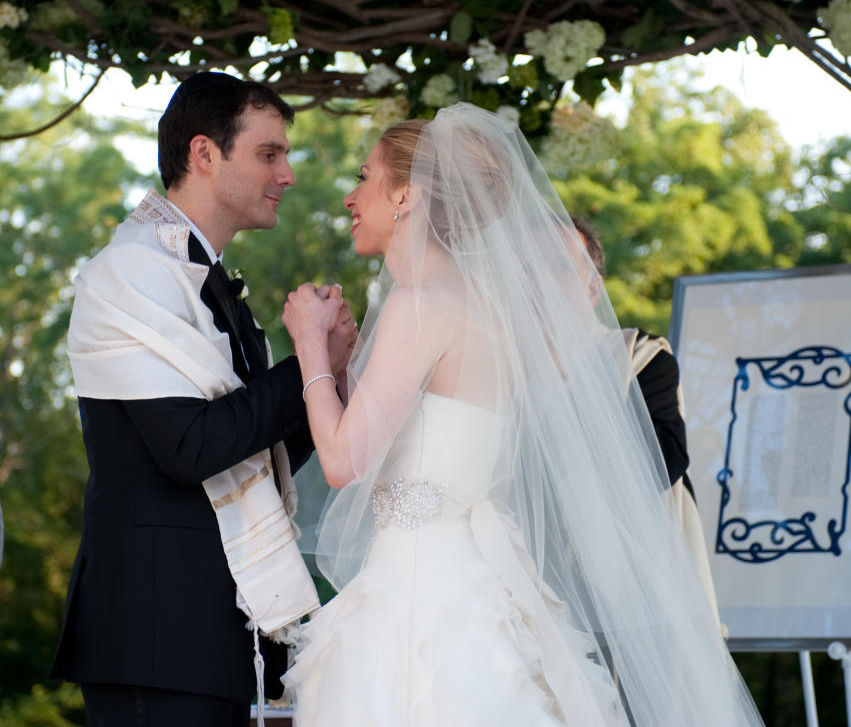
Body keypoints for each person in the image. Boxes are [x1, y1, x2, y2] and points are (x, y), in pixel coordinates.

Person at [281, 104, 763, 725]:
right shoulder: (489, 312)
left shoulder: (421, 306)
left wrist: (309, 345)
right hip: (478, 577)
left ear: (406, 195)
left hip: (419, 591)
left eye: (364, 176)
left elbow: (345, 461)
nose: (350, 196)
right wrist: (344, 368)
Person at [51, 72, 355, 727]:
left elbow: (255, 451)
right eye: (270, 153)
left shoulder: (203, 277)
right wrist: (306, 354)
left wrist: (325, 378)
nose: (289, 173)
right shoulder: (130, 271)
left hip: (210, 634)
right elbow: (191, 447)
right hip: (156, 634)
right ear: (204, 153)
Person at [569, 214, 720, 622]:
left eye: (560, 266)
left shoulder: (640, 357)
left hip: (624, 588)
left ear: (592, 288)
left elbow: (664, 457)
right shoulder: (495, 365)